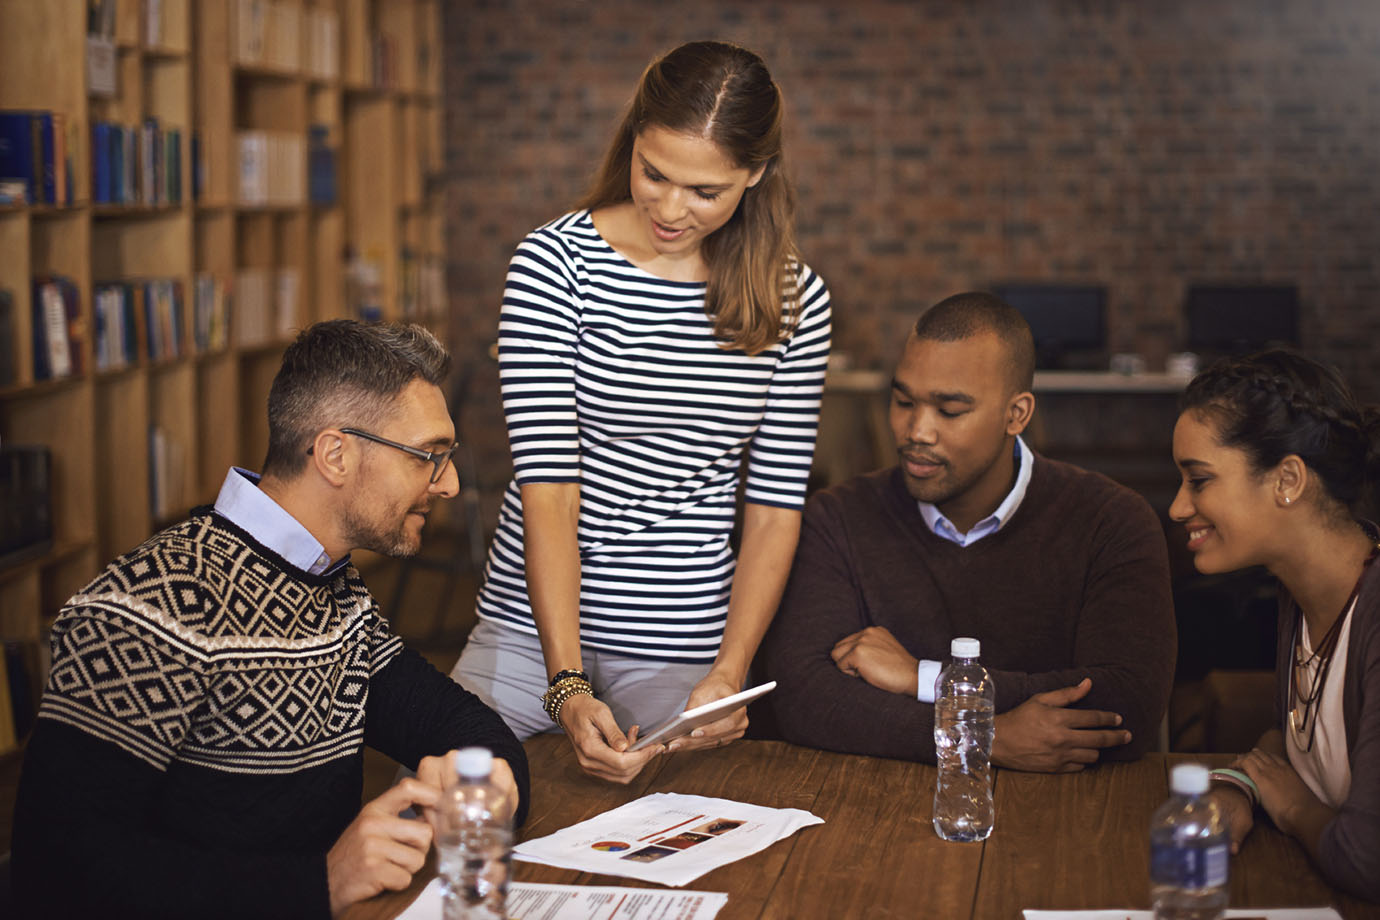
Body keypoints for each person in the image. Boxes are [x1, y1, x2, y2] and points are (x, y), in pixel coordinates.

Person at [11, 320, 531, 919]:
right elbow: (55, 871)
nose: (450, 484)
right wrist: (320, 882)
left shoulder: (331, 584)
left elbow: (456, 722)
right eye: (428, 458)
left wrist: (486, 788)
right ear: (336, 454)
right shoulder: (149, 605)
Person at [449, 40, 831, 784]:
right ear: (632, 140)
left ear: (754, 175)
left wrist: (730, 672)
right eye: (654, 173)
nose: (670, 207)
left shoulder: (795, 299)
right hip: (532, 634)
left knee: (668, 826)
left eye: (705, 191)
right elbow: (550, 491)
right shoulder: (553, 266)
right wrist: (566, 684)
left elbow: (776, 508)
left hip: (680, 639)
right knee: (446, 798)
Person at [763, 291, 1175, 771]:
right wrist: (980, 738)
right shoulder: (838, 518)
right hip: (878, 814)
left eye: (950, 411)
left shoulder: (1112, 521)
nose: (917, 430)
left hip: (1068, 821)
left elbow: (1126, 705)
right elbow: (804, 697)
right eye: (903, 401)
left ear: (1015, 415)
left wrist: (922, 679)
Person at [1169, 349, 1380, 901]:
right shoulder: (1300, 592)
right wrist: (1240, 788)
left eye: (1199, 480)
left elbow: (1365, 859)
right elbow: (1298, 741)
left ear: (1288, 479)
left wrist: (1290, 805)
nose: (1176, 507)